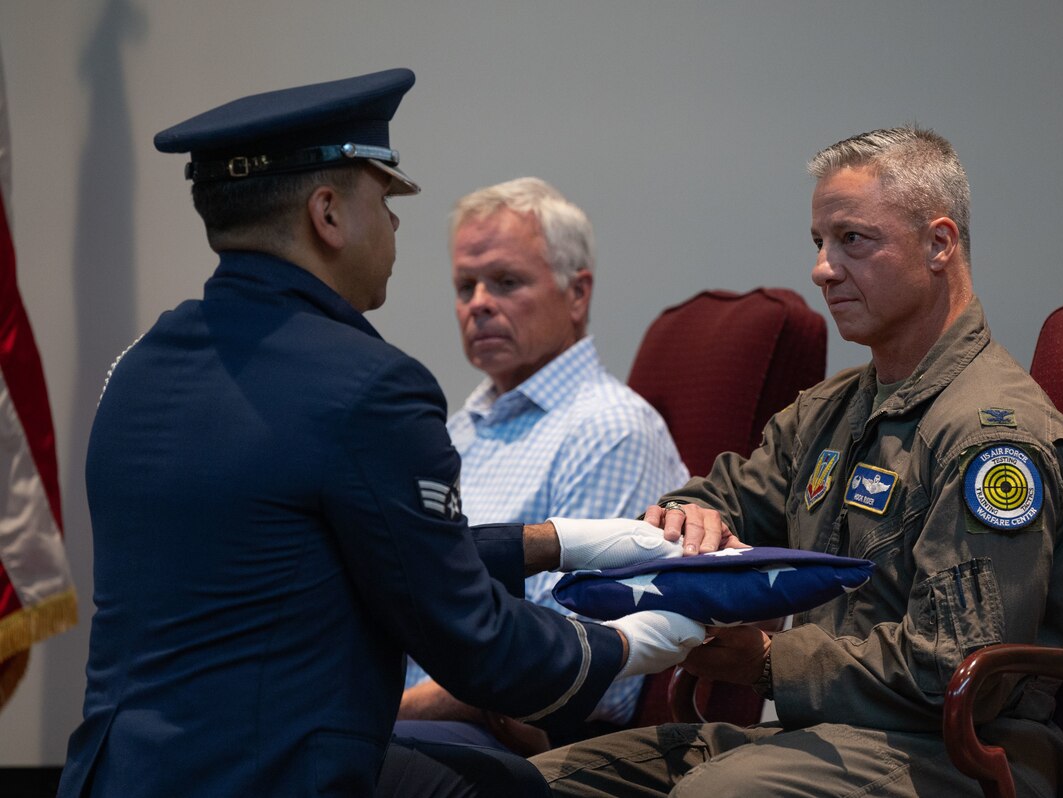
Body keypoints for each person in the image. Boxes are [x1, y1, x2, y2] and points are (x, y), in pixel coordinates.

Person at [56, 69, 707, 798]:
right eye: (385, 197)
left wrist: (553, 541)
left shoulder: (137, 367)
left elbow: (347, 555)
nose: (395, 225)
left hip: (114, 774)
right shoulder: (366, 386)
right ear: (328, 213)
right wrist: (634, 642)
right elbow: (474, 641)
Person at [531, 126, 1063, 797]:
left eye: (853, 240)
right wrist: (687, 519)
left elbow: (956, 671)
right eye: (819, 243)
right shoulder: (831, 411)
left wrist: (770, 665)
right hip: (822, 734)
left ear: (939, 244)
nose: (822, 268)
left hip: (961, 750)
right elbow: (724, 496)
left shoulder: (993, 441)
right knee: (537, 782)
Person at [395, 178, 689, 751]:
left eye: (505, 282)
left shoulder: (608, 429)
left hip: (503, 738)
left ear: (576, 294)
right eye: (465, 285)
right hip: (407, 715)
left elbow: (563, 658)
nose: (478, 302)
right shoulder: (461, 426)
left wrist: (373, 713)